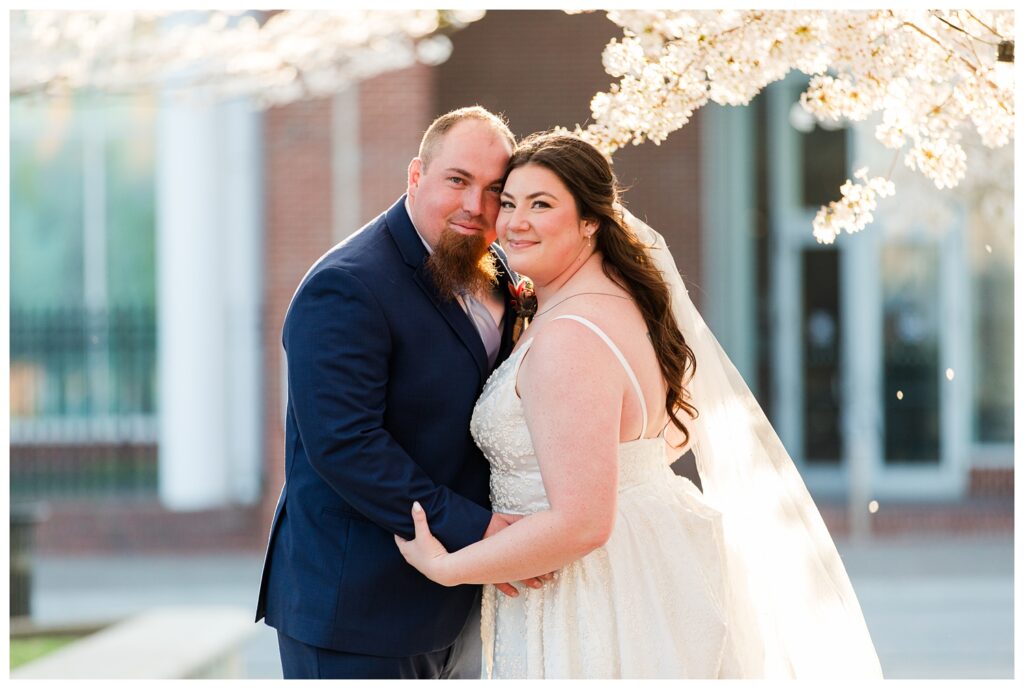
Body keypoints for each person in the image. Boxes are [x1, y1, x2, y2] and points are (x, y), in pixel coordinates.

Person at [395, 131, 884, 678]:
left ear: (590, 221)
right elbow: (657, 444)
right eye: (508, 203)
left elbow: (582, 523)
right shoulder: (621, 305)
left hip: (582, 594)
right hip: (638, 569)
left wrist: (448, 567)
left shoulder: (569, 337)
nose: (514, 222)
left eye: (541, 204)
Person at [255, 106, 550, 680]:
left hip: (459, 600)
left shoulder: (497, 266)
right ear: (416, 175)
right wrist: (480, 531)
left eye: (494, 190)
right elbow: (347, 445)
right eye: (457, 180)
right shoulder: (346, 285)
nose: (476, 205)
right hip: (356, 609)